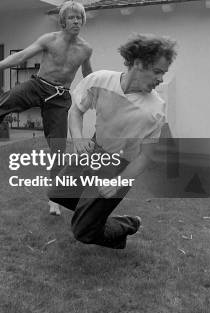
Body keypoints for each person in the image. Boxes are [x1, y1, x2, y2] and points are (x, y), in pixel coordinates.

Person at [0, 0, 93, 214]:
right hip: (38, 86)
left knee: (58, 149)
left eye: (79, 18)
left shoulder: (86, 49)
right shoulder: (49, 40)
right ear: (63, 21)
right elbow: (21, 56)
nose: (76, 21)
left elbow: (88, 75)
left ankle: (54, 199)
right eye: (72, 17)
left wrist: (94, 95)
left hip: (59, 97)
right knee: (8, 98)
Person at [49, 33, 177, 248]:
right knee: (58, 192)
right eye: (157, 71)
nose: (161, 79)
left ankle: (128, 224)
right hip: (95, 150)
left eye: (163, 73)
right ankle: (98, 217)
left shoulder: (155, 109)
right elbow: (76, 111)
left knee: (83, 232)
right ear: (137, 64)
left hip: (120, 165)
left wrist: (117, 182)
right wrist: (78, 139)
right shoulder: (100, 80)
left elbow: (145, 157)